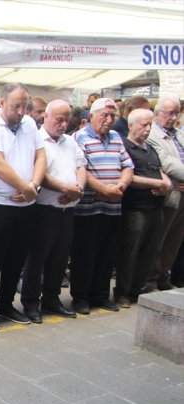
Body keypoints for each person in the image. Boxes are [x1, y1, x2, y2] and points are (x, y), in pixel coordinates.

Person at [0, 83, 46, 329]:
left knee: (17, 259)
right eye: (16, 106)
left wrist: (34, 186)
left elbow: (40, 156)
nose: (21, 111)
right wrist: (26, 189)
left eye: (24, 105)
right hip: (0, 205)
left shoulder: (29, 124)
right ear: (2, 103)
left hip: (26, 205)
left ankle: (6, 304)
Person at [20, 100, 86, 322]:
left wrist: (78, 189)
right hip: (45, 209)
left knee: (59, 258)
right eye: (59, 119)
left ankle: (52, 298)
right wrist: (65, 188)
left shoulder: (70, 142)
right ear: (45, 116)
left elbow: (81, 167)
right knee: (37, 258)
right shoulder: (36, 141)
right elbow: (39, 174)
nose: (64, 124)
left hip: (67, 210)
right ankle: (30, 302)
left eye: (67, 119)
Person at [70, 98, 133, 314]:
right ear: (91, 116)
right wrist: (103, 189)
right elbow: (81, 170)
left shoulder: (116, 137)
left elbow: (127, 166)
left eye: (112, 115)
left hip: (113, 206)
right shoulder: (79, 137)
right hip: (88, 208)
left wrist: (121, 185)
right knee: (84, 254)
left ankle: (101, 295)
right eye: (104, 115)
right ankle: (80, 297)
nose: (108, 120)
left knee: (107, 254)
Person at [115, 109, 171, 307]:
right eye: (143, 125)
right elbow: (129, 176)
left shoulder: (150, 148)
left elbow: (160, 170)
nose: (147, 129)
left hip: (155, 208)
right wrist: (155, 184)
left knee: (149, 251)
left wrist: (165, 184)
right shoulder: (125, 146)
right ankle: (122, 291)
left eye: (150, 125)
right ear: (131, 125)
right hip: (135, 208)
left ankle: (135, 290)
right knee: (130, 252)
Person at [146, 96, 184, 291]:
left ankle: (164, 276)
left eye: (177, 113)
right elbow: (166, 163)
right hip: (169, 194)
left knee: (174, 240)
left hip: (181, 192)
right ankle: (151, 279)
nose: (174, 117)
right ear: (158, 113)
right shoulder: (152, 134)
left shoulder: (179, 134)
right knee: (159, 240)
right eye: (170, 113)